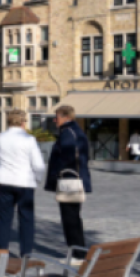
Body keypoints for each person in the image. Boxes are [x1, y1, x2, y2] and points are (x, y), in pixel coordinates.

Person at [0, 109, 47, 260]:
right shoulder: (28, 139)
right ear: (23, 122)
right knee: (26, 219)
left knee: (4, 218)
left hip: (4, 180)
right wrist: (37, 178)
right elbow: (38, 164)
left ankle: (2, 250)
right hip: (24, 182)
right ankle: (26, 252)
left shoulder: (1, 137)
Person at [44, 105, 92, 264]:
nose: (54, 120)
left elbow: (68, 158)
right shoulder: (75, 131)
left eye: (56, 116)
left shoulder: (68, 133)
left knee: (70, 219)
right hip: (76, 179)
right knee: (74, 218)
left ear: (66, 117)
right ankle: (78, 252)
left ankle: (77, 255)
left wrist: (57, 174)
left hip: (69, 181)